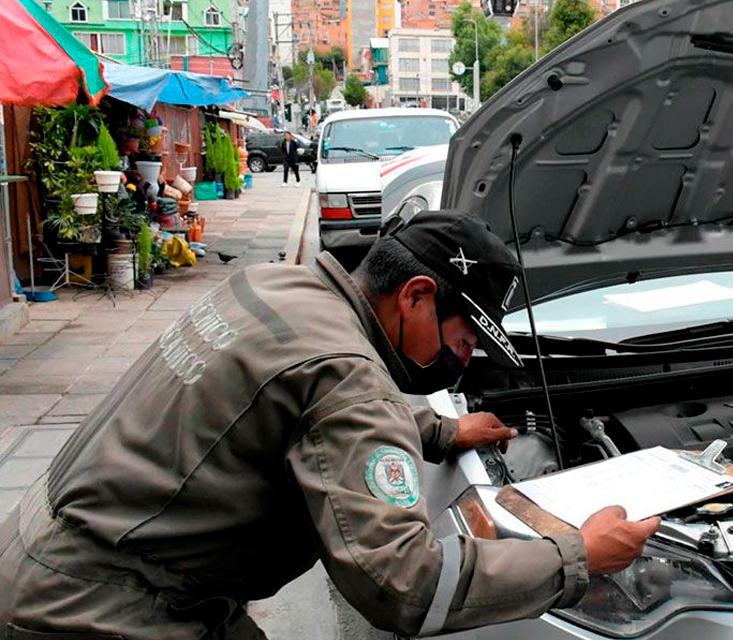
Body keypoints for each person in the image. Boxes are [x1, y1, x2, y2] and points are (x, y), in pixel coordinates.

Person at [0, 211, 659, 639]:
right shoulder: (349, 379)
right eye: (465, 340)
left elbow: (293, 399)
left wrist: (437, 431)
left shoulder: (278, 287)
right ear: (417, 295)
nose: (464, 363)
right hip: (98, 612)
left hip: (52, 554)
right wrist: (576, 557)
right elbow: (406, 586)